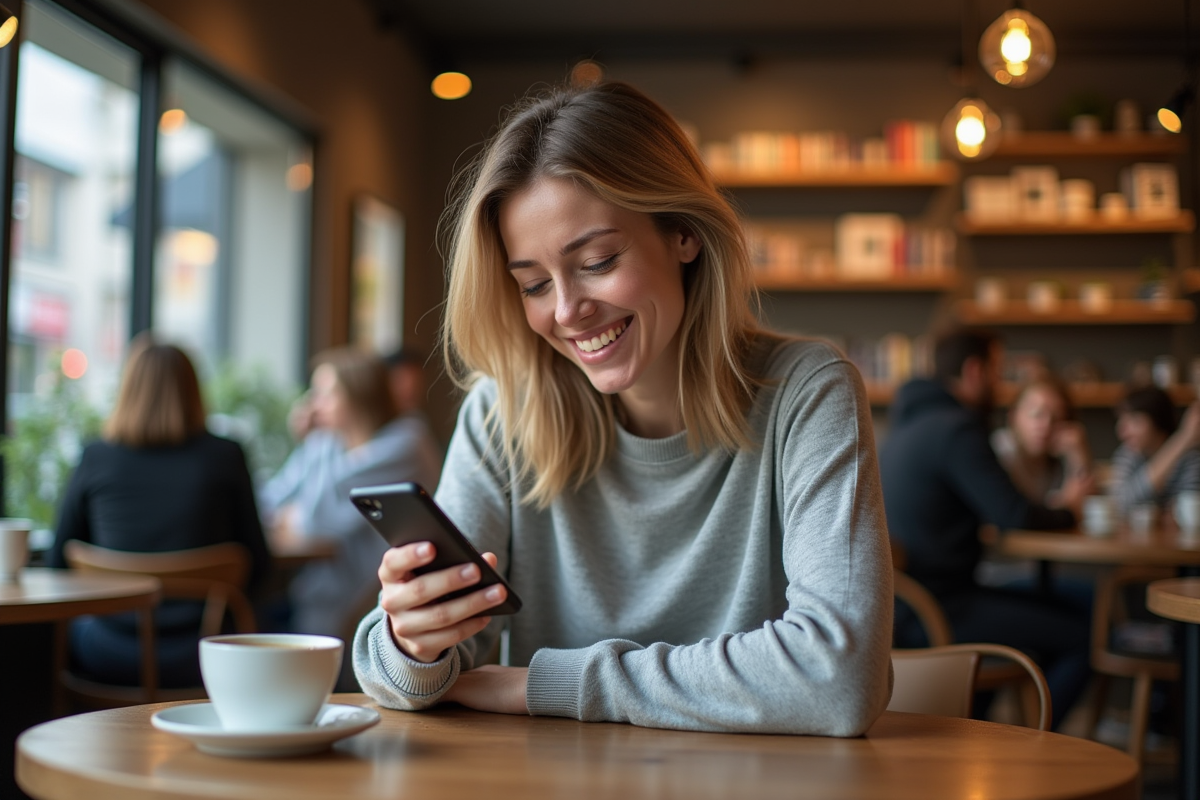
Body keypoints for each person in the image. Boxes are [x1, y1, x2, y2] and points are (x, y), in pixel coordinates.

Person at [352, 81, 893, 735]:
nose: (565, 311)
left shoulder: (806, 391)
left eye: (598, 261)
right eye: (532, 283)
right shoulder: (505, 412)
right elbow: (405, 676)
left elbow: (839, 678)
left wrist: (549, 684)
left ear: (684, 234)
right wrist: (414, 642)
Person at [879, 328, 1090, 730]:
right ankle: (1032, 750)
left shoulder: (905, 426)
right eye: (997, 372)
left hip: (907, 604)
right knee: (1084, 636)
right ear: (974, 371)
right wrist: (1070, 509)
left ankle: (985, 738)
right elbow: (1014, 514)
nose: (1000, 385)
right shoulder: (957, 428)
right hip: (939, 608)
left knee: (1065, 608)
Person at [47, 336, 271, 688]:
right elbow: (259, 566)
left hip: (106, 650)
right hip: (206, 655)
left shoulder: (95, 457)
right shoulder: (225, 456)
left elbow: (57, 561)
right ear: (193, 390)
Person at [259, 347, 442, 640]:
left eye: (325, 393)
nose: (313, 405)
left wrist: (294, 513)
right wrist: (312, 441)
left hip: (377, 595)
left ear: (359, 396)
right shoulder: (330, 441)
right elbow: (272, 499)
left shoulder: (406, 443)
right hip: (326, 587)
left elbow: (314, 522)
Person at [991, 376, 1094, 506]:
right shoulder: (998, 452)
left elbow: (1087, 507)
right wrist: (1065, 502)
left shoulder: (1057, 460)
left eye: (1056, 417)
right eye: (1036, 414)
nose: (1046, 425)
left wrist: (1079, 455)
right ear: (1013, 417)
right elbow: (1011, 512)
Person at [1109, 385, 1200, 516]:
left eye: (1134, 421)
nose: (1122, 432)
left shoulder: (1190, 459)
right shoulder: (1127, 455)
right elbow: (1120, 504)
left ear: (1158, 421)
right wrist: (1184, 438)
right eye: (1121, 420)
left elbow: (1190, 509)